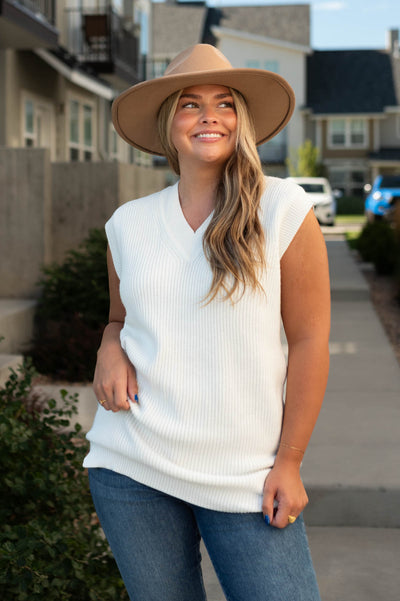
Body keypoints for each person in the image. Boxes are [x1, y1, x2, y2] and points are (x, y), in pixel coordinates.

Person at [84, 44, 330, 601]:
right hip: (133, 468)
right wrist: (109, 345)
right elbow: (120, 318)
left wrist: (289, 462)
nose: (209, 115)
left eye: (224, 103)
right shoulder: (128, 224)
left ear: (241, 120)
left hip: (247, 475)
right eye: (190, 104)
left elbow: (311, 340)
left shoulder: (283, 209)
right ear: (170, 125)